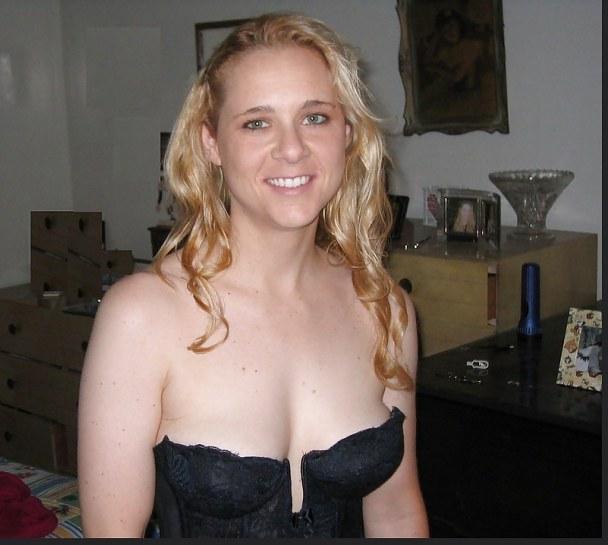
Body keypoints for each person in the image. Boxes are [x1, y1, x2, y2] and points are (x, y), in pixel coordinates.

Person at [77, 12, 429, 538]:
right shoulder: (143, 316)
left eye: (315, 117)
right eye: (257, 123)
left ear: (347, 134)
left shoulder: (384, 308)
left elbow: (396, 510)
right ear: (211, 143)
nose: (292, 148)